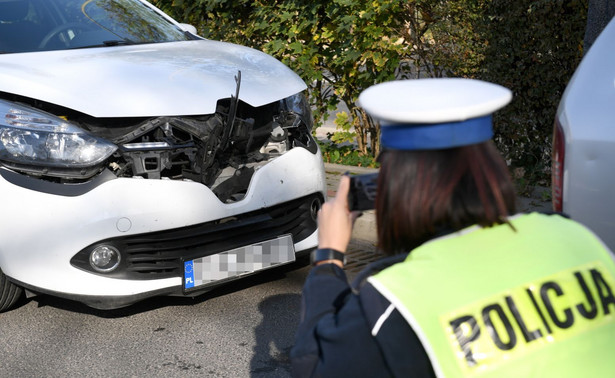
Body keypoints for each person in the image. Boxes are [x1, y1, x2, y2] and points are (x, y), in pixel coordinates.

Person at [290, 78, 615, 377]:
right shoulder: (575, 236)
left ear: (397, 187)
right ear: (490, 166)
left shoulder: (395, 299)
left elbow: (314, 364)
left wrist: (329, 257)